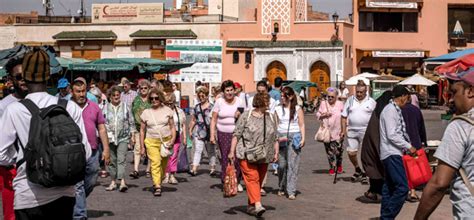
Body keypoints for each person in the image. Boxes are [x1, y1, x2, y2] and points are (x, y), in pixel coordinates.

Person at [0, 49, 91, 219]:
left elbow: (1, 154)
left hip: (29, 194)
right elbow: (86, 151)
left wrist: (21, 157)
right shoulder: (69, 107)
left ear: (25, 77)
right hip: (66, 193)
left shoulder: (15, 110)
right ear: (49, 75)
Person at [415, 79, 474, 219]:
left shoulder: (460, 127)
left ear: (471, 91)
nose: (451, 100)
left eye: (454, 93)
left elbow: (439, 184)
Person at [228, 92, 279, 217]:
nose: (269, 103)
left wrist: (276, 151)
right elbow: (236, 134)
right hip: (246, 153)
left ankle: (251, 206)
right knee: (253, 178)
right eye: (267, 100)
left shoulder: (271, 117)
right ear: (260, 101)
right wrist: (231, 151)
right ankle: (257, 204)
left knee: (259, 180)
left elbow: (275, 136)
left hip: (265, 154)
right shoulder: (246, 115)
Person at [70, 77, 111, 220]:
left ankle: (75, 202)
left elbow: (101, 128)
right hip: (73, 153)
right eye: (78, 91)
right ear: (71, 91)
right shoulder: (66, 106)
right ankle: (79, 215)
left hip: (93, 151)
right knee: (78, 185)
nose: (81, 94)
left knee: (92, 179)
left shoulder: (94, 107)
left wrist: (106, 149)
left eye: (83, 91)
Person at [379, 85, 417, 219]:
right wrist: (408, 146)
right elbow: (392, 135)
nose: (407, 101)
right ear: (401, 97)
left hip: (393, 152)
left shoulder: (395, 110)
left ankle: (385, 215)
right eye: (406, 98)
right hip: (391, 153)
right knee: (402, 188)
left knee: (389, 187)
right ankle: (387, 216)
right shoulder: (390, 111)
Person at [0, 56, 28, 220]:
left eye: (26, 75)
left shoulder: (40, 101)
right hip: (11, 169)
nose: (23, 80)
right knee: (11, 215)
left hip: (38, 169)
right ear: (11, 80)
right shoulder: (4, 106)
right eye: (18, 77)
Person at [140, 88, 176, 196]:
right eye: (151, 99)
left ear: (160, 98)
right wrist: (142, 147)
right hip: (151, 141)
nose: (154, 100)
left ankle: (159, 178)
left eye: (156, 98)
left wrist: (173, 139)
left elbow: (172, 126)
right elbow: (142, 130)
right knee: (155, 162)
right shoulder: (146, 113)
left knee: (164, 164)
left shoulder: (167, 111)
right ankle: (157, 185)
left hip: (165, 141)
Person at [210, 80, 244, 192]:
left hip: (237, 134)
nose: (229, 93)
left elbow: (245, 116)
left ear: (234, 90)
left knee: (237, 157)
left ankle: (237, 181)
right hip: (223, 133)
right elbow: (214, 119)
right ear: (223, 92)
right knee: (225, 157)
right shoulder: (219, 102)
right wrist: (212, 135)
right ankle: (226, 181)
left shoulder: (239, 101)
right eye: (227, 90)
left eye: (231, 90)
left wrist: (240, 114)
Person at [360, 91, 393, 202]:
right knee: (380, 170)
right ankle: (379, 194)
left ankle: (374, 192)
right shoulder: (384, 114)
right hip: (378, 147)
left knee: (374, 169)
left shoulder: (376, 112)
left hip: (371, 148)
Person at [340, 82, 376, 184]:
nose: (359, 94)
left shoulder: (372, 102)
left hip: (366, 131)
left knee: (365, 154)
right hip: (352, 130)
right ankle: (358, 169)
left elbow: (376, 117)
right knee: (351, 152)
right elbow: (343, 116)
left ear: (366, 91)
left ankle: (365, 172)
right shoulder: (350, 100)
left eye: (361, 92)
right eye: (357, 92)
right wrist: (343, 131)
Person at [103, 85, 136, 192]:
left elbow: (131, 121)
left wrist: (133, 135)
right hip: (110, 138)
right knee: (112, 161)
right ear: (110, 97)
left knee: (121, 159)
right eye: (114, 95)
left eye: (118, 95)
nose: (116, 97)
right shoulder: (105, 108)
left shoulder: (125, 106)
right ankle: (113, 182)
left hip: (123, 137)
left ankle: (122, 182)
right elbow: (102, 123)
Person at [275, 86, 305, 200]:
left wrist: (303, 138)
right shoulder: (277, 109)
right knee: (282, 165)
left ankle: (291, 190)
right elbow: (275, 125)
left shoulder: (297, 109)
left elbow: (302, 124)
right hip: (281, 137)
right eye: (281, 96)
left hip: (294, 136)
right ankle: (281, 185)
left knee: (293, 164)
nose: (282, 98)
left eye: (284, 96)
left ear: (291, 97)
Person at [401, 95, 427, 202]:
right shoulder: (416, 110)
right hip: (415, 142)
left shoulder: (399, 110)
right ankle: (412, 191)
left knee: (405, 168)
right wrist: (423, 141)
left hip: (403, 142)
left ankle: (409, 190)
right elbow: (422, 127)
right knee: (413, 168)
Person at [189, 86, 217, 176]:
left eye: (203, 96)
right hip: (199, 131)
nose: (201, 98)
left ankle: (212, 167)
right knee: (198, 150)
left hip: (210, 131)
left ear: (207, 96)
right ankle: (194, 168)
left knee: (211, 151)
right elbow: (193, 120)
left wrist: (215, 132)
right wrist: (190, 130)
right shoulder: (197, 107)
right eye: (199, 96)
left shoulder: (212, 107)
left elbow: (215, 120)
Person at [316, 87, 344, 175]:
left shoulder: (340, 104)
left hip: (338, 131)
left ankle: (339, 164)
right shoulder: (323, 103)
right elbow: (318, 114)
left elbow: (345, 117)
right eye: (328, 97)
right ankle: (332, 167)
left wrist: (344, 129)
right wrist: (323, 115)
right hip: (327, 131)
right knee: (329, 151)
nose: (330, 98)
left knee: (338, 151)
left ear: (336, 97)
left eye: (332, 97)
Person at [130, 79, 151, 179]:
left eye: (145, 88)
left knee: (150, 149)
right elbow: (132, 114)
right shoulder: (136, 100)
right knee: (137, 148)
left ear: (149, 89)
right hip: (138, 128)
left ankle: (148, 169)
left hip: (151, 129)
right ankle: (136, 170)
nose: (143, 90)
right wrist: (132, 131)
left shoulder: (152, 99)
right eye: (141, 88)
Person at [163, 93, 186, 185]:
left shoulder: (179, 111)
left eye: (171, 103)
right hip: (165, 136)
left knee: (174, 156)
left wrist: (184, 137)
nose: (169, 105)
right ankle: (166, 174)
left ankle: (172, 175)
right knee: (165, 156)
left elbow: (183, 124)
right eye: (167, 103)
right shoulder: (162, 111)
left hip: (176, 136)